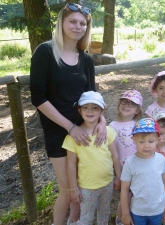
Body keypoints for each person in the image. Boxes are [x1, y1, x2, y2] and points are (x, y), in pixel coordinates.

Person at [30, 3, 107, 225]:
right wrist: (69, 127)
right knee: (67, 189)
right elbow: (38, 98)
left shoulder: (85, 58)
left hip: (85, 131)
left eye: (83, 23)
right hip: (59, 131)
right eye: (72, 21)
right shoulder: (45, 52)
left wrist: (101, 121)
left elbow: (93, 96)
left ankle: (75, 221)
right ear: (61, 23)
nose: (78, 26)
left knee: (81, 185)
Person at [63, 91, 121, 225]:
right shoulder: (73, 138)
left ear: (102, 111)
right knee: (86, 219)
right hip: (87, 187)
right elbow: (71, 165)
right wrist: (73, 188)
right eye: (85, 107)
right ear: (79, 110)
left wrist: (118, 176)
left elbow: (115, 156)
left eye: (95, 108)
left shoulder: (108, 132)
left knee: (104, 213)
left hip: (107, 183)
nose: (90, 111)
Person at [120, 118, 165, 225]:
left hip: (157, 209)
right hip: (138, 211)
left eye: (151, 141)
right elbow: (124, 190)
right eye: (141, 142)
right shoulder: (130, 163)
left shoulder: (161, 159)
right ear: (134, 140)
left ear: (158, 140)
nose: (146, 145)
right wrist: (125, 213)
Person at [109, 90, 143, 225]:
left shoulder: (138, 125)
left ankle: (132, 216)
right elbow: (113, 152)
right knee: (125, 194)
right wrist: (117, 172)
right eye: (124, 102)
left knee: (135, 193)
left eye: (132, 104)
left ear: (136, 110)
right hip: (122, 166)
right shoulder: (112, 126)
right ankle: (120, 218)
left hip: (138, 165)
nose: (126, 105)